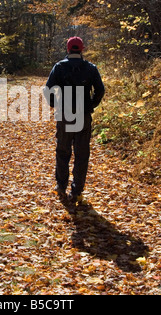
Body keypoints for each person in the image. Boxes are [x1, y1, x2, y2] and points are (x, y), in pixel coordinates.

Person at [44, 37, 105, 203]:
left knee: (63, 151)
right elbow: (100, 90)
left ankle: (61, 186)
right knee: (82, 153)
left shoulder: (59, 67)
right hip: (83, 115)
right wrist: (91, 105)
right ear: (82, 49)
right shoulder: (90, 68)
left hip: (64, 114)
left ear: (68, 49)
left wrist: (54, 104)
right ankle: (77, 190)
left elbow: (48, 89)